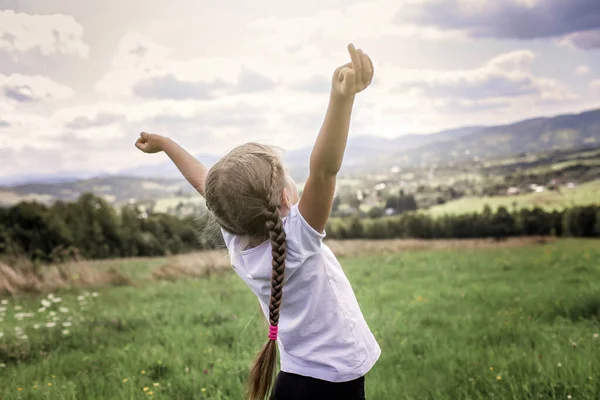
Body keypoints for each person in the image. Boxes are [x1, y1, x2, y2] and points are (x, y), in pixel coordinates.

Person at [135, 43, 379, 400]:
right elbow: (324, 169)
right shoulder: (297, 239)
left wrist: (168, 145)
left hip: (296, 374)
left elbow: (206, 183)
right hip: (338, 376)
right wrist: (341, 97)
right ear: (284, 197)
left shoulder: (238, 240)